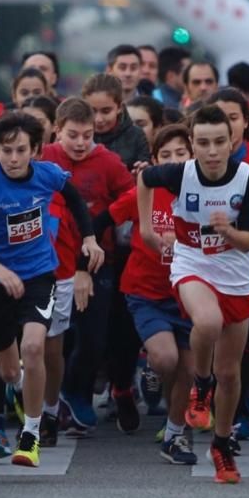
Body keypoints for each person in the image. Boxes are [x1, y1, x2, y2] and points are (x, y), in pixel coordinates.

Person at [0, 112, 103, 467]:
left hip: (38, 275)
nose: (13, 159)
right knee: (7, 369)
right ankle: (19, 389)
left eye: (20, 151)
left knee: (34, 347)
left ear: (35, 151)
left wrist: (90, 238)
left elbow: (76, 202)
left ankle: (31, 434)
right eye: (6, 151)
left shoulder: (48, 174)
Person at [136, 104, 249, 484]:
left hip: (235, 271)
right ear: (192, 144)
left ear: (231, 143)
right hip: (191, 263)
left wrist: (228, 232)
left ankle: (221, 446)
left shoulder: (246, 177)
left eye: (219, 142)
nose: (211, 151)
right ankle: (200, 386)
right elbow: (144, 180)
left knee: (231, 373)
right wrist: (145, 230)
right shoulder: (179, 173)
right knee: (207, 321)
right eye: (203, 143)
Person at [97, 124, 197, 463]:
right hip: (145, 291)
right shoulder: (147, 189)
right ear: (153, 161)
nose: (172, 161)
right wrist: (86, 256)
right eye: (164, 155)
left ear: (191, 156)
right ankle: (152, 364)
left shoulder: (202, 191)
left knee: (187, 369)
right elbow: (101, 219)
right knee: (166, 358)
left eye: (180, 154)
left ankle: (174, 435)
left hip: (188, 291)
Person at [42, 98, 134, 433]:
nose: (81, 143)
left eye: (87, 135)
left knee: (95, 338)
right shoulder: (46, 158)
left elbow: (132, 195)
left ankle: (75, 391)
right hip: (52, 263)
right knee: (57, 337)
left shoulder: (107, 161)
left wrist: (105, 218)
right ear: (57, 130)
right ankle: (53, 398)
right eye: (73, 135)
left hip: (100, 260)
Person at [81, 73, 150, 171]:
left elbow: (145, 170)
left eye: (106, 111)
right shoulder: (76, 135)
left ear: (119, 108)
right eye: (92, 111)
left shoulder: (136, 136)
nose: (98, 119)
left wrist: (139, 174)